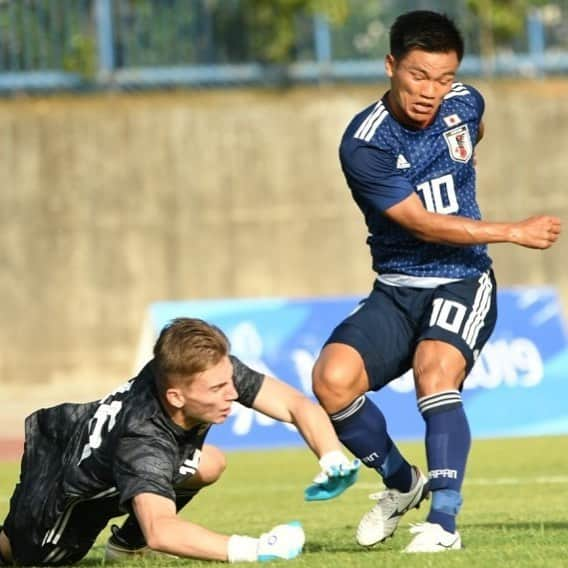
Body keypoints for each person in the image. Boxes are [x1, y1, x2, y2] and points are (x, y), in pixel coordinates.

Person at [311, 9, 561, 554]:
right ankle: (403, 484)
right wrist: (511, 230)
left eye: (443, 78)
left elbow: (474, 127)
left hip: (463, 279)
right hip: (398, 287)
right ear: (390, 66)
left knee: (435, 369)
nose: (431, 91)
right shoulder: (365, 143)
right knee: (331, 380)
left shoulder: (464, 103)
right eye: (418, 75)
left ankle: (444, 524)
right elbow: (421, 222)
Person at [0, 317, 359, 566]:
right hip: (64, 497)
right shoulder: (144, 439)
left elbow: (295, 405)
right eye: (218, 389)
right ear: (175, 397)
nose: (232, 394)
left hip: (84, 438)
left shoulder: (199, 367)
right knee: (20, 552)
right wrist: (258, 548)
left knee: (209, 462)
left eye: (229, 380)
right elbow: (161, 531)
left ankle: (126, 548)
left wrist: (332, 459)